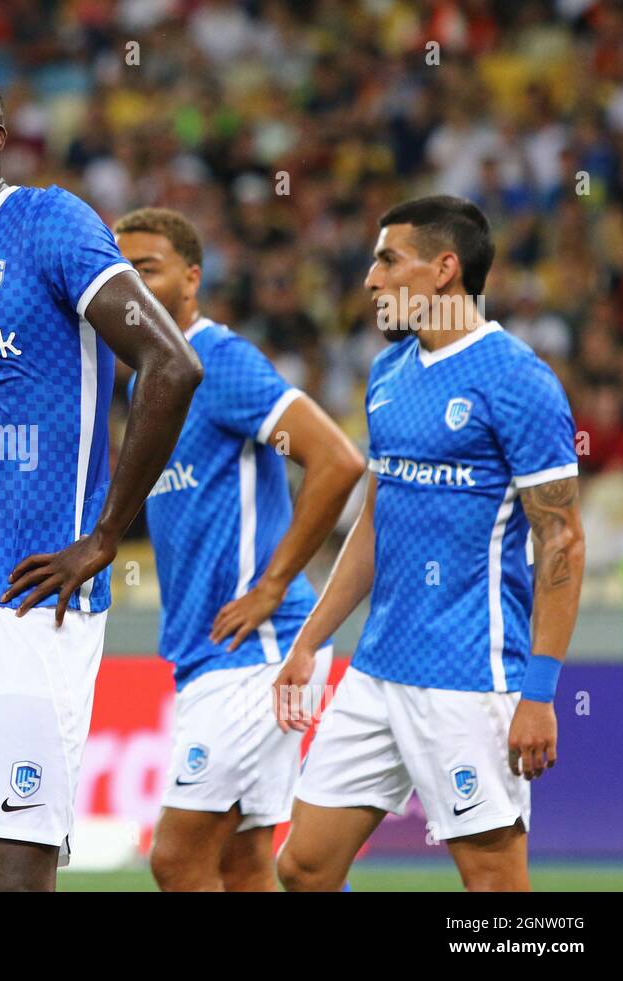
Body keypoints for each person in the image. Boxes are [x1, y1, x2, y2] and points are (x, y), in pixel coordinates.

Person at [0, 64, 203, 892]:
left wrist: (103, 537)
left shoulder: (49, 221)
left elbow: (170, 365)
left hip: (31, 600)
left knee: (17, 870)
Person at [273, 196, 585, 892]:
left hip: (469, 676)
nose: (370, 279)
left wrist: (541, 690)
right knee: (303, 866)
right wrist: (313, 638)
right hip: (378, 668)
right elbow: (379, 521)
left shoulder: (517, 379)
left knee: (494, 883)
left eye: (388, 259)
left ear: (445, 269)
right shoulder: (389, 373)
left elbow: (561, 538)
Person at [113, 207, 364, 891]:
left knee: (176, 857)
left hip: (257, 651)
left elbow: (337, 460)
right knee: (243, 861)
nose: (128, 285)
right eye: (118, 271)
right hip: (213, 654)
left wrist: (274, 583)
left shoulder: (215, 362)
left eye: (147, 269)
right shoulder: (146, 381)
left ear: (192, 278)